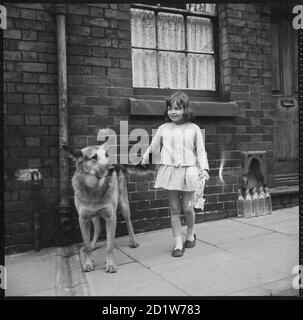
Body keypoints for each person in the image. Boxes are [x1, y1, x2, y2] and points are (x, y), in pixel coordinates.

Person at [141, 91, 209, 257]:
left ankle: (191, 232)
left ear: (185, 109)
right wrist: (144, 159)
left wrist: (204, 168)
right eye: (170, 108)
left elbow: (200, 151)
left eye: (177, 108)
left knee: (187, 207)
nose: (173, 112)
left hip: (189, 171)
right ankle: (178, 242)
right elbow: (153, 147)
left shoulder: (194, 129)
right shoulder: (163, 128)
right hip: (169, 171)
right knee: (173, 208)